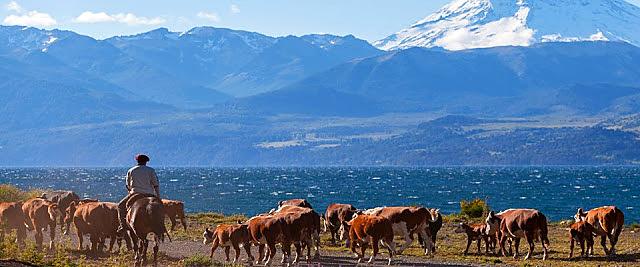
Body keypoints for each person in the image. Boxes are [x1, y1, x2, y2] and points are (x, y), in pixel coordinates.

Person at [117, 154, 160, 233]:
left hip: (135, 194)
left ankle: (123, 226)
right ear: (146, 162)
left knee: (120, 206)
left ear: (137, 161)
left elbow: (128, 185)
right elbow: (156, 185)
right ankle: (161, 224)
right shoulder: (151, 170)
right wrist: (158, 197)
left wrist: (130, 192)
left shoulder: (131, 170)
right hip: (149, 194)